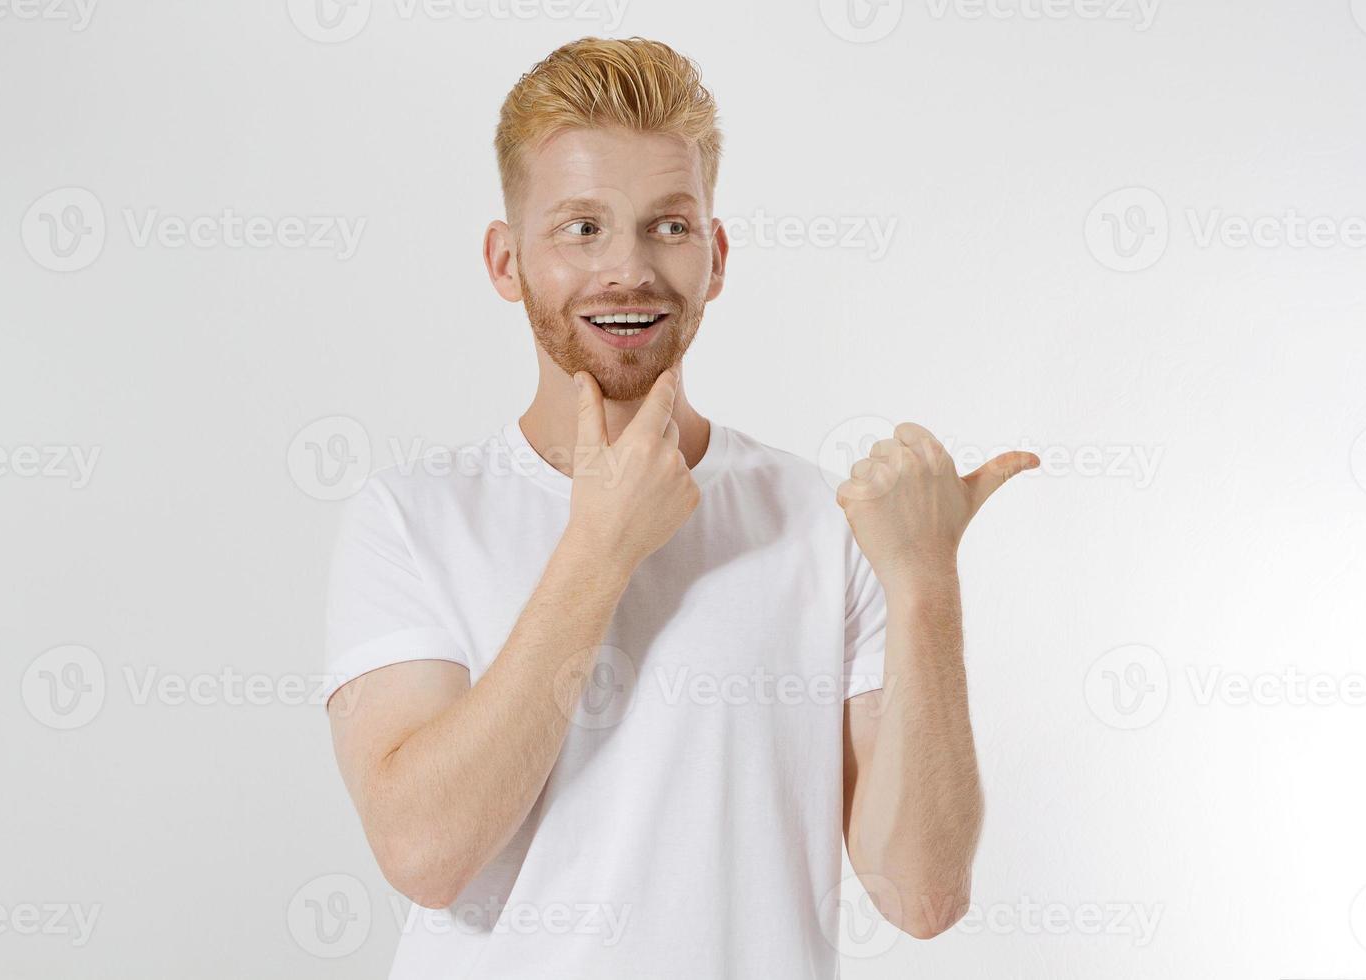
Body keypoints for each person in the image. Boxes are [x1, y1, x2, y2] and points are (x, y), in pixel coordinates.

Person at [322, 36, 1038, 979]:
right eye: (581, 227)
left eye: (668, 225)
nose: (629, 270)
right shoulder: (412, 519)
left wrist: (926, 588)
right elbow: (423, 855)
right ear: (506, 261)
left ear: (717, 251)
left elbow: (923, 897)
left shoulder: (822, 523)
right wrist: (599, 549)